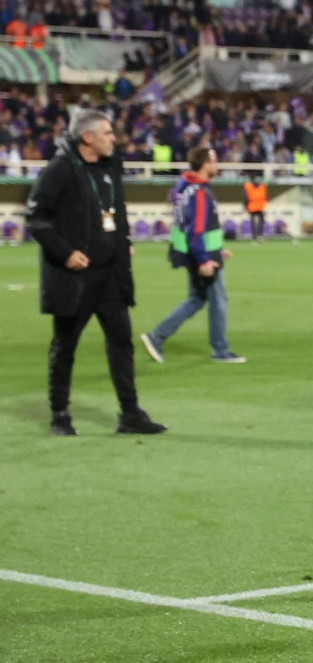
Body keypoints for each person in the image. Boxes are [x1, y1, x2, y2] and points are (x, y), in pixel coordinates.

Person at [27, 108, 165, 436]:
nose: (114, 139)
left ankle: (130, 413)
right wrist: (66, 253)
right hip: (75, 277)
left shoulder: (109, 167)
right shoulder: (60, 169)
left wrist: (123, 242)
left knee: (121, 342)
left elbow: (117, 214)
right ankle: (59, 413)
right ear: (87, 138)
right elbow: (36, 218)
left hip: (110, 275)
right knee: (66, 344)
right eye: (107, 134)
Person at [141, 146, 245, 365]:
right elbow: (195, 229)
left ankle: (156, 337)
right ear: (205, 164)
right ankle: (220, 349)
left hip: (191, 253)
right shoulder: (198, 193)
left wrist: (216, 249)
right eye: (214, 160)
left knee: (196, 299)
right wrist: (205, 258)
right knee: (218, 300)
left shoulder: (184, 188)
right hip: (200, 255)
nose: (217, 165)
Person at [243, 176, 268, 242]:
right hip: (254, 206)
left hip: (257, 206)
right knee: (256, 222)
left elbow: (245, 197)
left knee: (257, 222)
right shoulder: (250, 186)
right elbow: (246, 197)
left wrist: (245, 206)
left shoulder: (261, 186)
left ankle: (257, 235)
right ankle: (257, 235)